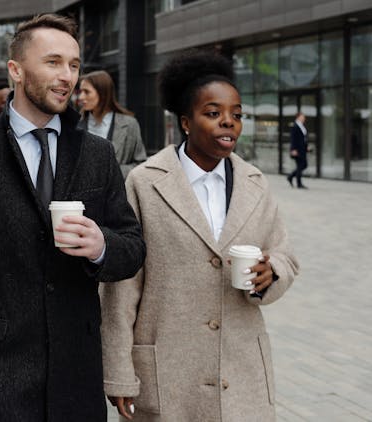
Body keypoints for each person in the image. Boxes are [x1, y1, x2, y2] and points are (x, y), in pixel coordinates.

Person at [0, 14, 146, 422]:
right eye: (53, 62)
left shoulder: (98, 154)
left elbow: (132, 248)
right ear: (16, 71)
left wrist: (102, 246)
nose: (67, 77)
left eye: (74, 65)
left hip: (77, 369)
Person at [100, 49, 299, 421]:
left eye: (236, 116)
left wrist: (273, 274)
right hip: (169, 371)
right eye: (214, 114)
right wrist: (119, 374)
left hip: (242, 371)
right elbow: (121, 288)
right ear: (186, 122)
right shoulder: (145, 183)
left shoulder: (255, 184)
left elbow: (285, 254)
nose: (229, 123)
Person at [78, 70, 147, 178]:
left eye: (86, 92)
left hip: (117, 193)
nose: (81, 97)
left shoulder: (129, 125)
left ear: (103, 93)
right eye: (80, 91)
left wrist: (112, 171)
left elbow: (141, 164)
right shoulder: (74, 125)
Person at [287, 112, 309, 189]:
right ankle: (299, 183)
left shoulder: (302, 126)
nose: (304, 118)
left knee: (304, 165)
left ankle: (291, 176)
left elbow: (303, 138)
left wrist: (306, 147)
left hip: (302, 149)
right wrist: (293, 149)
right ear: (298, 117)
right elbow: (293, 139)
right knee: (301, 165)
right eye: (303, 117)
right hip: (297, 150)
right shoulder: (295, 126)